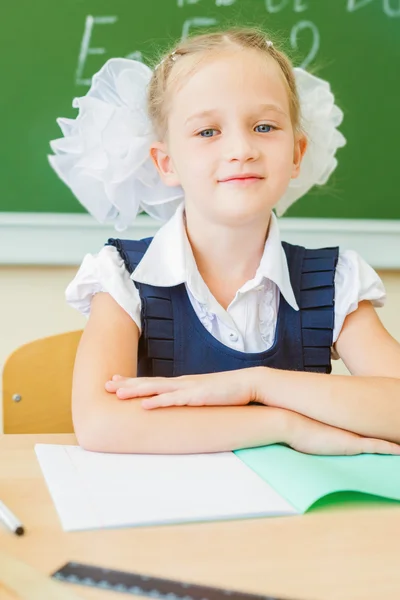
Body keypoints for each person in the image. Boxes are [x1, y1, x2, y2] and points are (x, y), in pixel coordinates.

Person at [49, 27, 400, 456]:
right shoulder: (124, 275)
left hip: (295, 519)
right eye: (207, 132)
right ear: (166, 162)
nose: (241, 148)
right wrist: (284, 424)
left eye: (265, 126)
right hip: (169, 513)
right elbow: (101, 425)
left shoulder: (333, 279)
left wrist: (256, 383)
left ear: (296, 154)